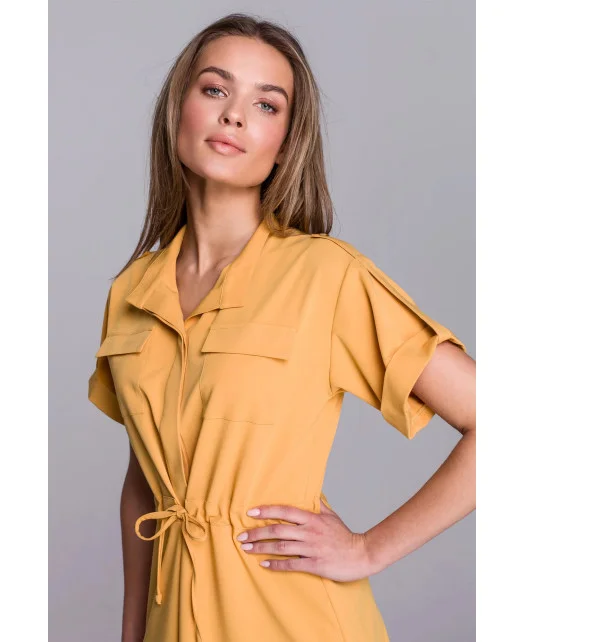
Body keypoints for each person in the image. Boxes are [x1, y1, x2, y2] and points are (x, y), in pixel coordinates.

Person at [87, 12, 476, 642]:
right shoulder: (131, 292)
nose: (234, 116)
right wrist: (132, 631)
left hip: (293, 620)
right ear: (178, 106)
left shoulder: (326, 275)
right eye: (215, 89)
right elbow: (145, 483)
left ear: (287, 141)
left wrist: (368, 549)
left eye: (265, 105)